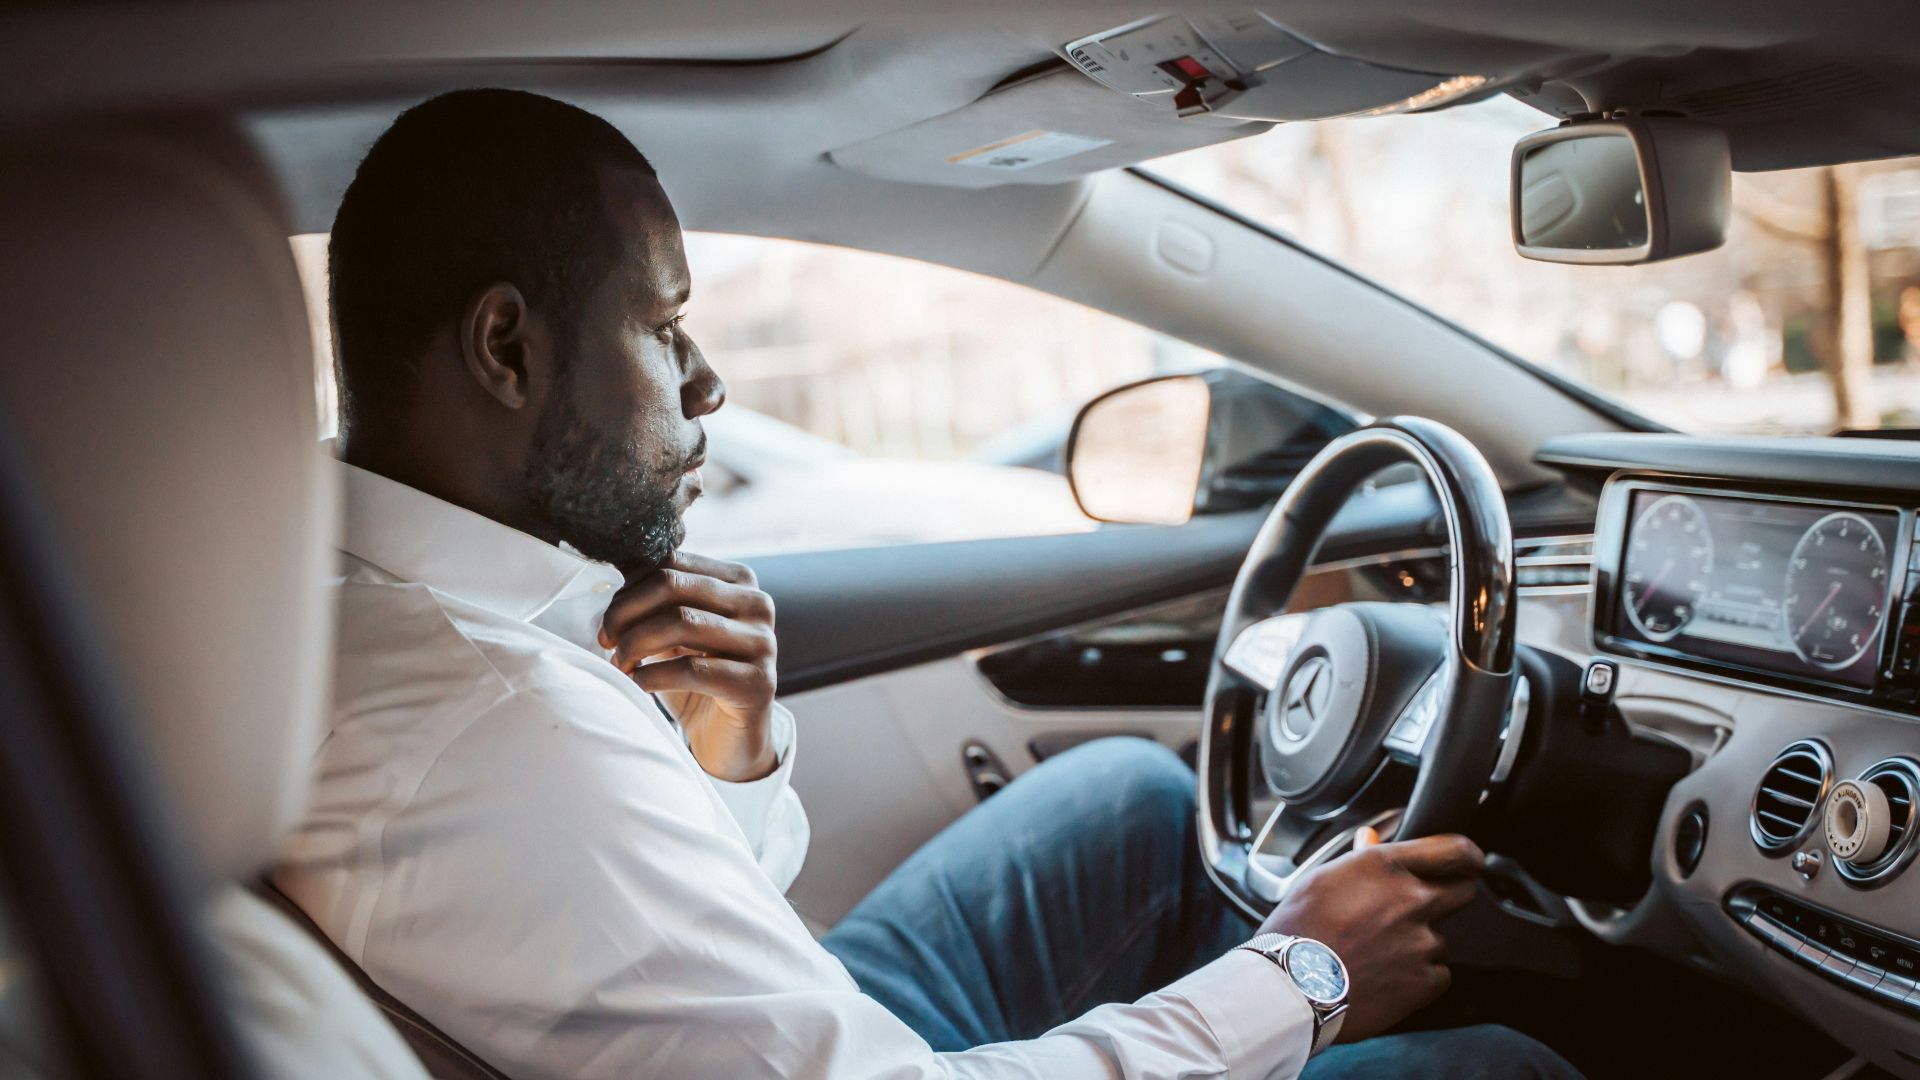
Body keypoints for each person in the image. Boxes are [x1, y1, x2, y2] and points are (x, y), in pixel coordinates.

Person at [274, 87, 1580, 1079]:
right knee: (1505, 1069)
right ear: (506, 348)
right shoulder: (499, 726)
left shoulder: (349, 603)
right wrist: (1304, 977)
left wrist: (729, 761)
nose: (708, 384)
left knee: (1129, 801)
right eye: (664, 328)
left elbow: (671, 937)